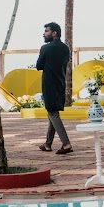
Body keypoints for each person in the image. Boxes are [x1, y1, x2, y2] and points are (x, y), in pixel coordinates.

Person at [35, 22, 73, 155]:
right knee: (52, 112)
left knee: (53, 113)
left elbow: (39, 66)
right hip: (61, 84)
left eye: (46, 31)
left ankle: (66, 143)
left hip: (49, 84)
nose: (44, 34)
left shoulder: (45, 48)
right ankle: (47, 144)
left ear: (54, 33)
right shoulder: (66, 48)